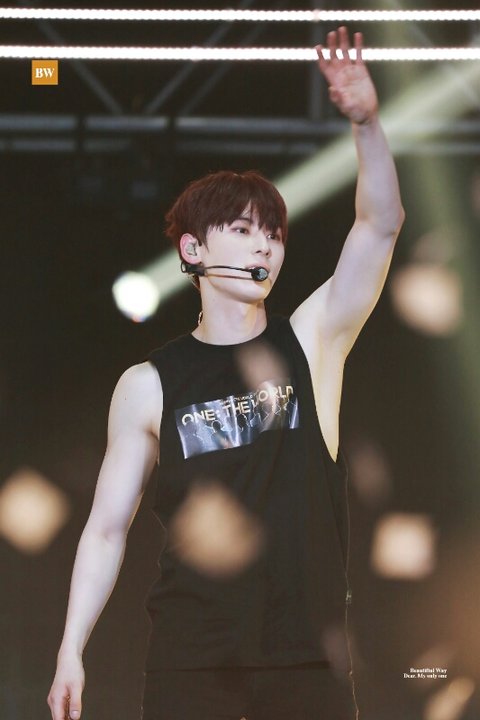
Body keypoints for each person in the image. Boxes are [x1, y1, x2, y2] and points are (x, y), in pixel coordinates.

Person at [48, 27, 404, 720]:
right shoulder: (149, 384)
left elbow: (380, 225)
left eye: (272, 233)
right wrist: (70, 650)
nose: (262, 246)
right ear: (192, 249)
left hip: (306, 660)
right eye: (241, 230)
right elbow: (106, 529)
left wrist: (366, 123)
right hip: (191, 663)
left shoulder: (312, 339)